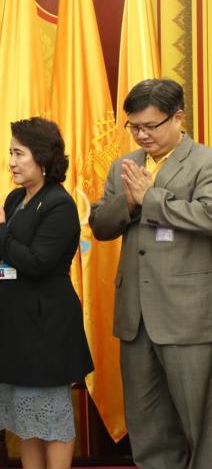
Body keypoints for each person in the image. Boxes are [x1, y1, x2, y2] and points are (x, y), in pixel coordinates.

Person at [89, 79, 212, 469]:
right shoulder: (124, 166)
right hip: (136, 317)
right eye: (134, 127)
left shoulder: (204, 162)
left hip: (187, 316)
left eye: (150, 126)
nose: (141, 135)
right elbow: (100, 225)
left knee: (201, 424)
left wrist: (152, 199)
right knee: (147, 424)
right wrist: (127, 201)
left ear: (178, 118)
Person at [0, 117, 94, 469]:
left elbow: (38, 263)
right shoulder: (15, 198)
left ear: (41, 157)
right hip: (17, 323)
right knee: (26, 420)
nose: (11, 162)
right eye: (10, 153)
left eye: (18, 153)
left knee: (51, 417)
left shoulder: (59, 204)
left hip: (46, 324)